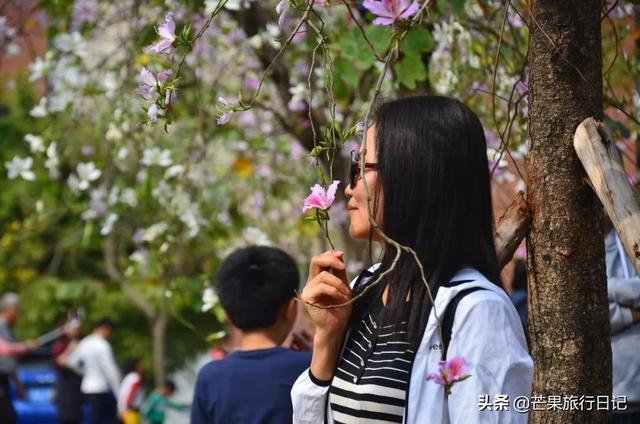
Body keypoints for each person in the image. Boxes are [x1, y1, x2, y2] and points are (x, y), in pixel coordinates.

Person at [292, 96, 533, 423]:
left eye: (361, 167)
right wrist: (327, 339)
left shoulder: (477, 312)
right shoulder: (367, 289)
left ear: (412, 175)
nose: (349, 189)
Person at [191, 246, 312, 424]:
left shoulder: (209, 378)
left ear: (227, 315)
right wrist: (320, 356)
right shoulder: (310, 369)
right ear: (291, 308)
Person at [604, 222, 640, 423]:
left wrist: (609, 289)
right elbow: (592, 313)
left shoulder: (633, 239)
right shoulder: (577, 253)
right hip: (614, 396)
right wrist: (632, 315)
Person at [66, 318, 120, 424]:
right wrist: (119, 393)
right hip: (101, 389)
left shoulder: (85, 342)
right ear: (105, 329)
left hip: (87, 388)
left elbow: (71, 362)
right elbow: (111, 371)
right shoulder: (102, 345)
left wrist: (85, 373)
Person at [0, 293, 39, 424]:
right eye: (18, 310)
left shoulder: (8, 329)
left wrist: (18, 384)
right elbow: (5, 349)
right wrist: (27, 346)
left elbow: (10, 362)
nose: (19, 315)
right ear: (9, 309)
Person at [52, 318, 84, 424]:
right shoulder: (60, 345)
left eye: (77, 329)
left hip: (77, 386)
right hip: (66, 386)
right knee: (67, 417)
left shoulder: (81, 343)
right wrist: (71, 349)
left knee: (76, 417)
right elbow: (60, 362)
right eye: (73, 329)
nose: (76, 331)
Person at [117, 358, 145, 424]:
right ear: (135, 366)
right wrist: (126, 408)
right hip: (131, 411)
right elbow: (131, 392)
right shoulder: (135, 377)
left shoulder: (127, 378)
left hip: (124, 410)